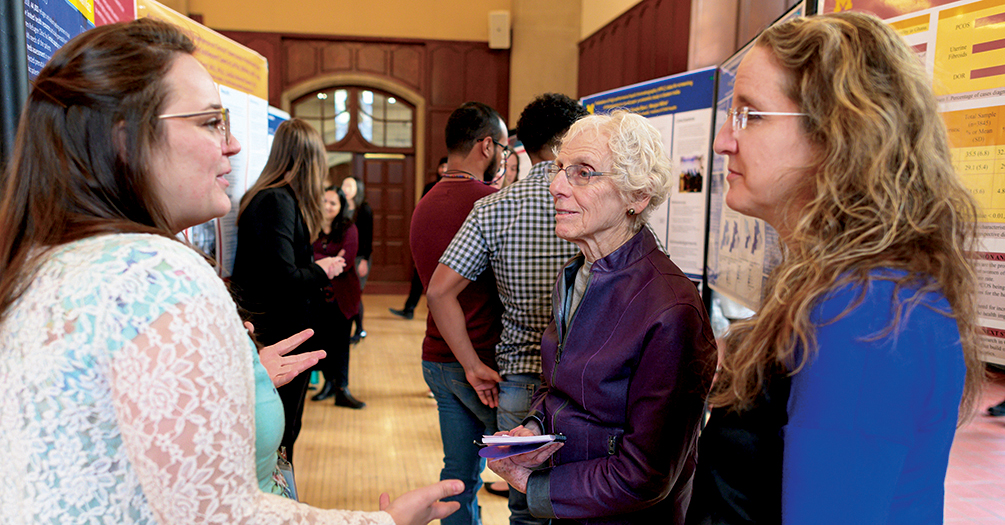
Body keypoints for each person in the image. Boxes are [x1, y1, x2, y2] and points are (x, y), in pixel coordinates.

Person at [0, 18, 462, 524]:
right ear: (125, 140)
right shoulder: (155, 272)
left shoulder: (41, 258)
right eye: (208, 122)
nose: (234, 144)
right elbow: (222, 516)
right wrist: (385, 522)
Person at [684, 12, 984, 524]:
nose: (723, 143)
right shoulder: (855, 290)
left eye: (750, 116)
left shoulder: (866, 310)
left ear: (838, 133)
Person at [485, 110, 717, 524]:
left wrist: (533, 486)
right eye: (560, 169)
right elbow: (560, 387)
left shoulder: (672, 311)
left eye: (583, 172)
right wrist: (536, 427)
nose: (555, 186)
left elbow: (646, 475)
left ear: (638, 195)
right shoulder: (574, 274)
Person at [427, 93, 587, 524]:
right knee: (583, 501)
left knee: (525, 507)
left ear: (523, 146)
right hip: (586, 385)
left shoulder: (493, 208)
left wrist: (473, 365)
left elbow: (439, 292)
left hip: (518, 383)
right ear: (572, 138)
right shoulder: (596, 206)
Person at [412, 102, 508, 525]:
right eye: (504, 147)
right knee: (522, 474)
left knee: (458, 477)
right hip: (478, 362)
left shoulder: (424, 204)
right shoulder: (489, 204)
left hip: (435, 356)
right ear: (487, 146)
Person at [231, 118, 344, 463]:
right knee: (281, 434)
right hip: (278, 335)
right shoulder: (274, 201)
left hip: (284, 332)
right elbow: (284, 278)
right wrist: (322, 269)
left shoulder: (279, 199)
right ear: (309, 161)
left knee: (287, 429)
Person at [311, 186, 366, 409]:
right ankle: (328, 384)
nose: (327, 206)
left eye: (333, 203)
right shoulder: (311, 226)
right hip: (317, 296)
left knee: (340, 344)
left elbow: (346, 261)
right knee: (321, 342)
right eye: (324, 201)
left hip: (343, 296)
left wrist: (318, 261)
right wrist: (330, 258)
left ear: (341, 206)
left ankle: (342, 388)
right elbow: (305, 256)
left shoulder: (349, 228)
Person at [390, 157, 448, 320]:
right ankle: (409, 308)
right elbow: (422, 211)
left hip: (447, 239)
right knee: (419, 276)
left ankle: (439, 315)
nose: (444, 169)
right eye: (442, 166)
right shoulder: (430, 187)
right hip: (430, 237)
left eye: (447, 166)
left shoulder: (454, 188)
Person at [342, 176, 372, 344]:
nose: (345, 188)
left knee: (355, 294)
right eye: (344, 185)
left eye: (349, 185)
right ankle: (353, 328)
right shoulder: (342, 207)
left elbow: (368, 237)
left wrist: (365, 260)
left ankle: (359, 329)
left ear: (357, 189)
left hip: (360, 257)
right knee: (348, 294)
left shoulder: (364, 210)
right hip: (345, 257)